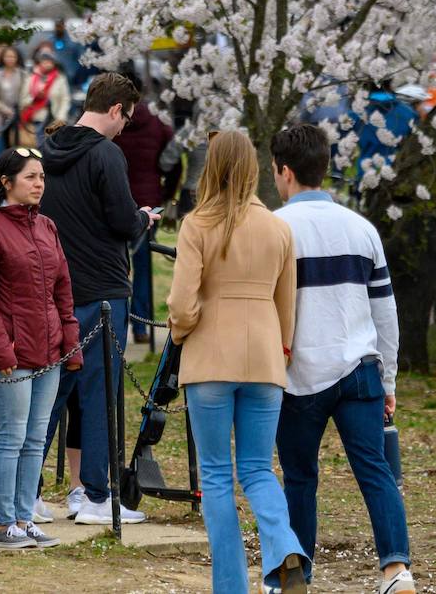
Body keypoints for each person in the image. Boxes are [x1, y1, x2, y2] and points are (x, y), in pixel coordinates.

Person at [271, 124, 415, 594]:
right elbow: (385, 313)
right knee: (375, 471)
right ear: (326, 167)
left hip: (296, 376)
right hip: (358, 369)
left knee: (299, 478)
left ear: (285, 172)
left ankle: (298, 574)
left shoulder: (276, 230)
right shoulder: (362, 229)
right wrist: (388, 380)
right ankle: (396, 570)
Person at [167, 131, 309, 593]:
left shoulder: (196, 224)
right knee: (257, 468)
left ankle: (230, 586)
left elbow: (183, 305)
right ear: (252, 166)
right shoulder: (278, 227)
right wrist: (280, 349)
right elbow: (287, 306)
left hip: (210, 359)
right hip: (265, 359)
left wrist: (180, 333)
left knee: (215, 474)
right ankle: (284, 545)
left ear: (211, 166)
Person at [40, 72, 156, 525]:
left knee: (51, 393)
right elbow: (122, 221)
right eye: (126, 117)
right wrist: (143, 218)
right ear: (114, 110)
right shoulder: (106, 154)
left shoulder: (46, 150)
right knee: (99, 394)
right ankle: (93, 494)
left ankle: (27, 489)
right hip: (103, 288)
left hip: (56, 288)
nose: (126, 126)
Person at [0, 148, 82, 549]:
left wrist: (70, 341)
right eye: (31, 177)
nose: (39, 184)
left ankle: (24, 516)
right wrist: (0, 349)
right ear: (7, 182)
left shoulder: (47, 226)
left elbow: (62, 289)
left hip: (48, 349)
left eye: (42, 178)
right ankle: (6, 524)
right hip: (10, 354)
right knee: (12, 436)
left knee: (35, 438)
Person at [113, 90, 177, 343]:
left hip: (117, 199)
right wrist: (166, 193)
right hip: (149, 201)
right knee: (143, 265)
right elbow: (173, 162)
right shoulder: (158, 121)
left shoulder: (115, 118)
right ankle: (141, 327)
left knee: (115, 264)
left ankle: (116, 324)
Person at [19, 51, 70, 147]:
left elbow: (65, 99)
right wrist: (35, 98)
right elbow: (23, 99)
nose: (47, 64)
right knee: (38, 147)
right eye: (44, 61)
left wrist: (61, 117)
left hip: (54, 120)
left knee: (53, 147)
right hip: (36, 119)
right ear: (40, 62)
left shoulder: (60, 78)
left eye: (49, 61)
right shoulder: (31, 78)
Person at [0, 46, 26, 145]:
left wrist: (19, 109)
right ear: (2, 57)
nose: (10, 59)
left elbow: (25, 94)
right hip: (1, 115)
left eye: (13, 57)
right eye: (7, 56)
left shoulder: (22, 74)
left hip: (19, 114)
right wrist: (5, 109)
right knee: (2, 143)